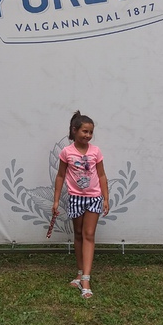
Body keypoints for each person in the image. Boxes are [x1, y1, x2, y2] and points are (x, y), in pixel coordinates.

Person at [52, 111, 109, 299]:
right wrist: (56, 200)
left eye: (91, 132)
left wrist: (106, 198)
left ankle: (86, 279)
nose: (88, 135)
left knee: (89, 234)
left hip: (94, 197)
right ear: (74, 130)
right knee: (78, 234)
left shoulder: (96, 151)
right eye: (85, 131)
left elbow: (101, 175)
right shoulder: (66, 152)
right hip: (75, 198)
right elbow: (60, 176)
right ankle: (79, 271)